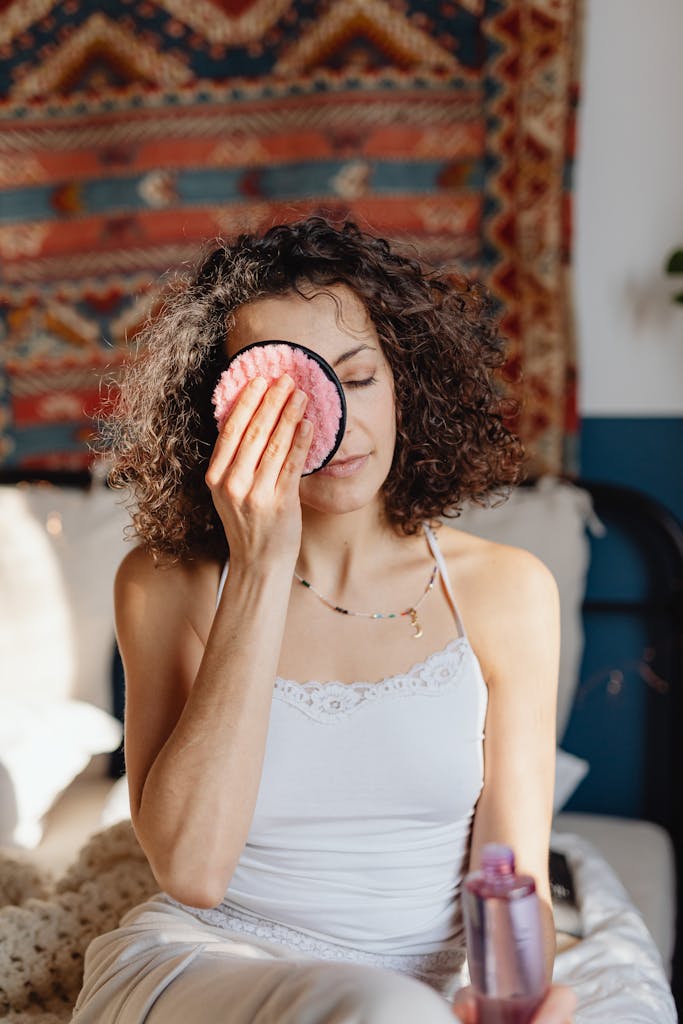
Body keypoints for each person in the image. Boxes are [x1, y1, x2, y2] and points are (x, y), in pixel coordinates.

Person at [73, 216, 576, 1023]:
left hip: (413, 997)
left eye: (358, 376)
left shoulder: (506, 590)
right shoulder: (166, 584)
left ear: (404, 380)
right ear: (221, 416)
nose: (331, 419)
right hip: (208, 967)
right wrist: (261, 564)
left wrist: (509, 1000)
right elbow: (193, 871)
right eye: (284, 398)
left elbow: (510, 877)